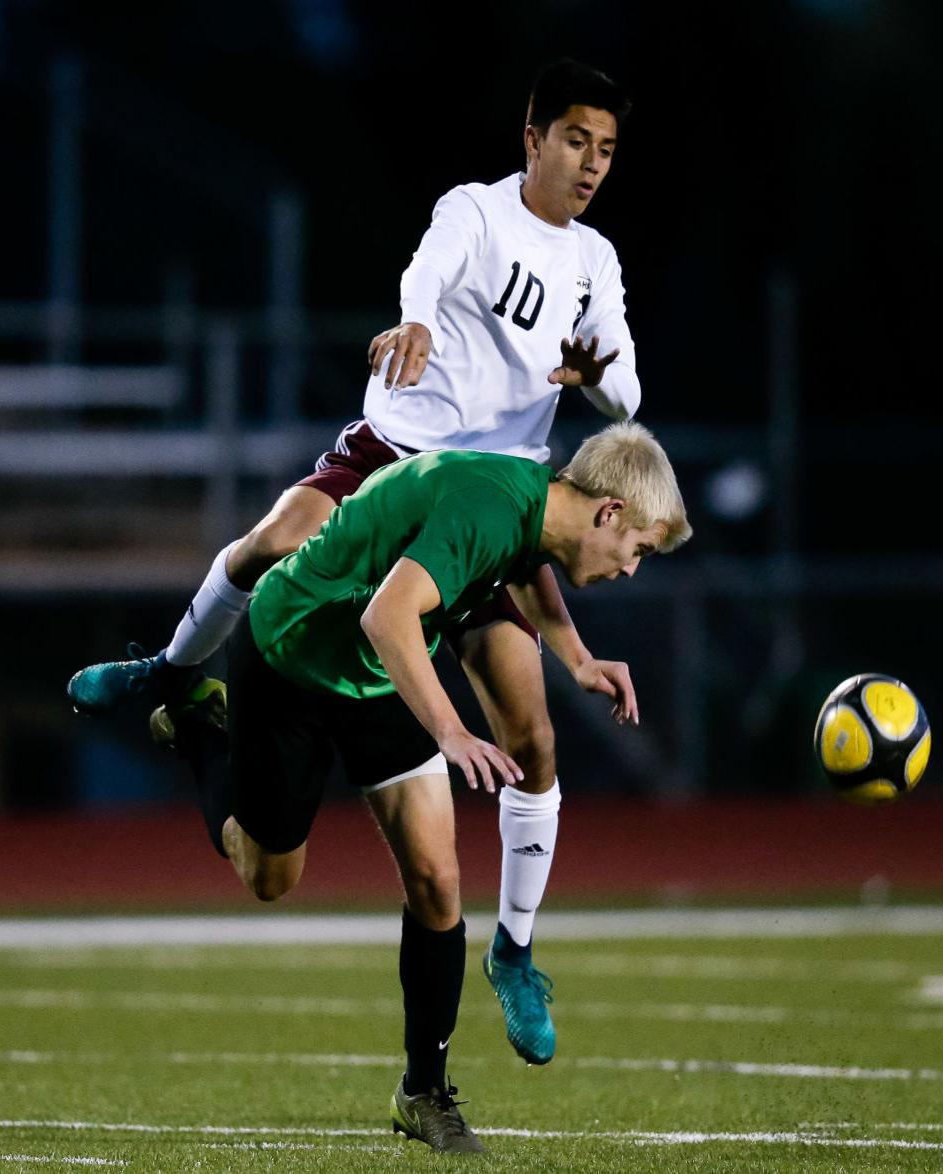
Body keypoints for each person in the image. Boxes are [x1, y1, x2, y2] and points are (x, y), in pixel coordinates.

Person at [68, 57, 637, 1067]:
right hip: (401, 465)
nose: (590, 163)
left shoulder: (594, 260)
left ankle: (512, 952)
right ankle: (171, 671)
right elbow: (425, 269)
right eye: (575, 140)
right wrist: (416, 319)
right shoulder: (473, 211)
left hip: (490, 511)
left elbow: (624, 385)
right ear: (532, 138)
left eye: (604, 148)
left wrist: (601, 380)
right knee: (278, 535)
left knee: (535, 734)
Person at [157, 423, 690, 1153]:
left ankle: (423, 1094)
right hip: (293, 653)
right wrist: (449, 730)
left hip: (377, 676)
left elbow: (520, 567)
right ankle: (202, 734)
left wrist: (577, 660)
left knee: (438, 881)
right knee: (268, 874)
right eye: (640, 549)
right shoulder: (490, 504)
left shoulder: (532, 504)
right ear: (609, 513)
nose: (632, 569)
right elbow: (387, 613)